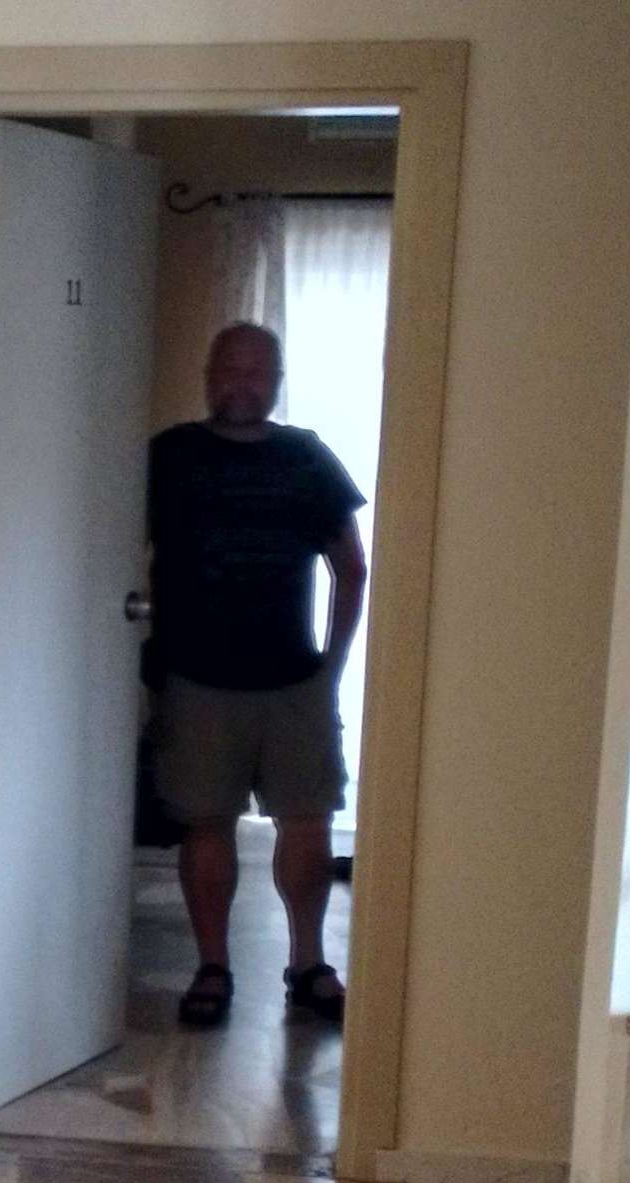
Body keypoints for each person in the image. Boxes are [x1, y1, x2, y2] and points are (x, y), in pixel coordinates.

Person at [145, 322, 368, 1028]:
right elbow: (106, 544)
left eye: (256, 371)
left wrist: (332, 667)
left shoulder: (306, 457)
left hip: (294, 682)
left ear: (276, 381)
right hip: (197, 680)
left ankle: (309, 965)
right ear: (208, 374)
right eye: (229, 368)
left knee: (307, 821)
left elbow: (351, 566)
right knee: (205, 823)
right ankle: (212, 967)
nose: (241, 382)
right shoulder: (169, 455)